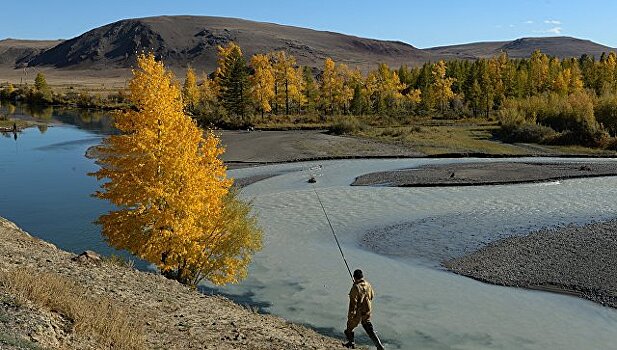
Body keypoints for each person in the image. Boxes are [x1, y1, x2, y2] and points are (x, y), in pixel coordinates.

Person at [343, 269, 384, 349]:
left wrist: (351, 316)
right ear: (362, 277)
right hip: (368, 311)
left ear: (354, 277)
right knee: (369, 329)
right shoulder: (368, 285)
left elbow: (353, 304)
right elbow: (372, 296)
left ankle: (351, 343)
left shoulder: (355, 287)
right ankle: (379, 346)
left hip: (359, 312)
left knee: (349, 327)